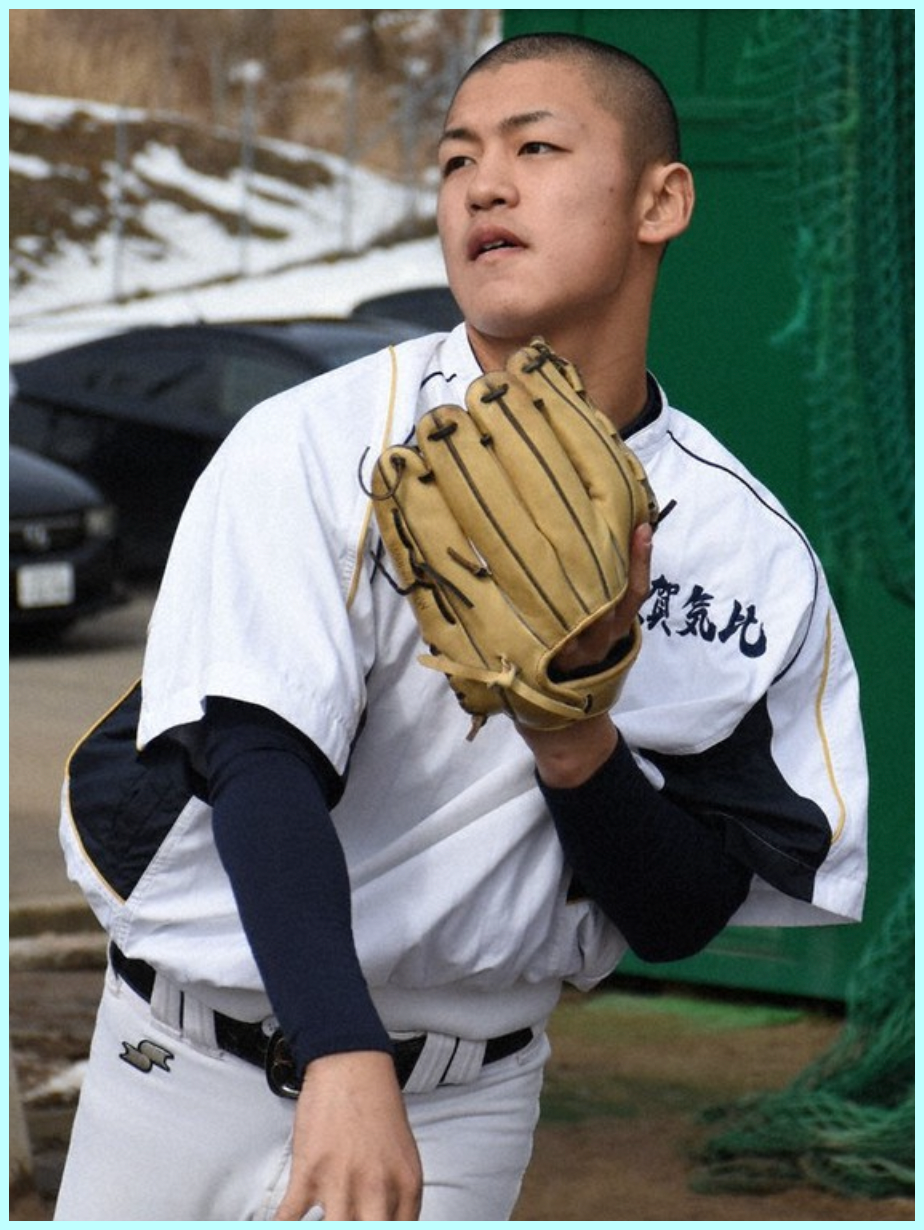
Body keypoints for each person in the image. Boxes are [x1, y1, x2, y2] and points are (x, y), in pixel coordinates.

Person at [55, 32, 867, 1222]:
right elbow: (254, 759)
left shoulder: (747, 556)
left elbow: (685, 912)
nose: (484, 184)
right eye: (455, 161)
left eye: (536, 147)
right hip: (177, 1063)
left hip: (464, 1096)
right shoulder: (319, 438)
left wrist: (577, 742)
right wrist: (340, 1049)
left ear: (663, 199)